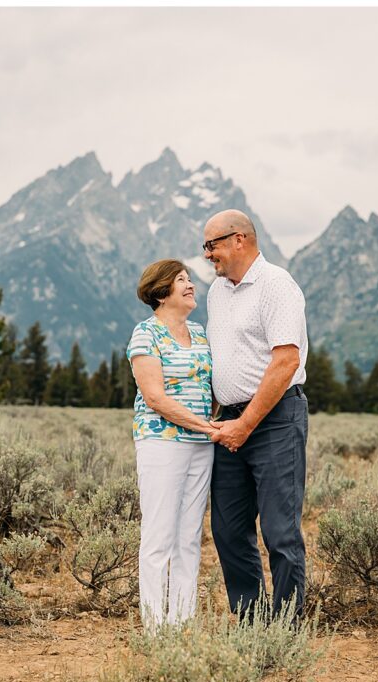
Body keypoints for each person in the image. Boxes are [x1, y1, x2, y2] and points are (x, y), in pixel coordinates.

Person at [202, 209, 308, 620]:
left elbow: (285, 361)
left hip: (276, 420)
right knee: (228, 530)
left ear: (239, 240)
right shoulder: (216, 292)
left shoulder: (277, 285)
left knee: (281, 532)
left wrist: (246, 424)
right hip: (229, 420)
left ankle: (285, 630)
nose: (208, 255)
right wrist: (222, 419)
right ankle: (250, 623)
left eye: (211, 245)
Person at [126, 260, 218, 630]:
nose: (191, 285)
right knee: (159, 537)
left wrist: (209, 425)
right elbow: (155, 398)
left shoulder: (199, 333)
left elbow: (211, 387)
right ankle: (154, 628)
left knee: (189, 537)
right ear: (162, 292)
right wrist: (207, 426)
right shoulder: (145, 334)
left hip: (200, 445)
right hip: (162, 443)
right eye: (181, 280)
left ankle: (181, 624)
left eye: (190, 279)